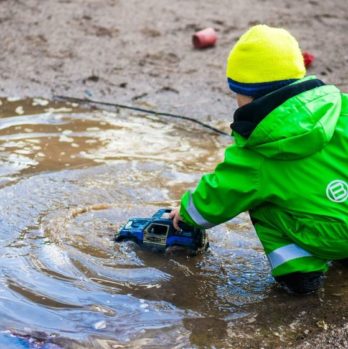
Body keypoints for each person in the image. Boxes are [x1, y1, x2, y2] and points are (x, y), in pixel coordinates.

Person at [170, 24, 348, 294]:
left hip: (328, 236)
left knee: (261, 202)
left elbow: (221, 194)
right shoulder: (342, 106)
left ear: (247, 95)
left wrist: (185, 214)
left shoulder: (258, 149)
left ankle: (300, 274)